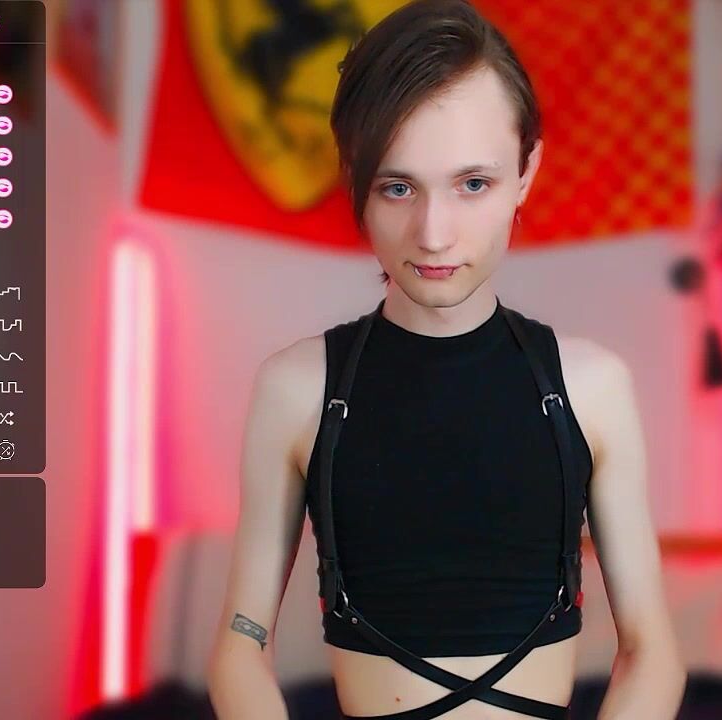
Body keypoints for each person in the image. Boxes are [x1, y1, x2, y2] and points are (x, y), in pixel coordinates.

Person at [207, 1, 687, 717]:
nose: (433, 233)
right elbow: (241, 646)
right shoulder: (296, 389)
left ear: (526, 171)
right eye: (398, 187)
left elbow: (651, 654)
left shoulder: (591, 388)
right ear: (355, 179)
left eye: (473, 184)